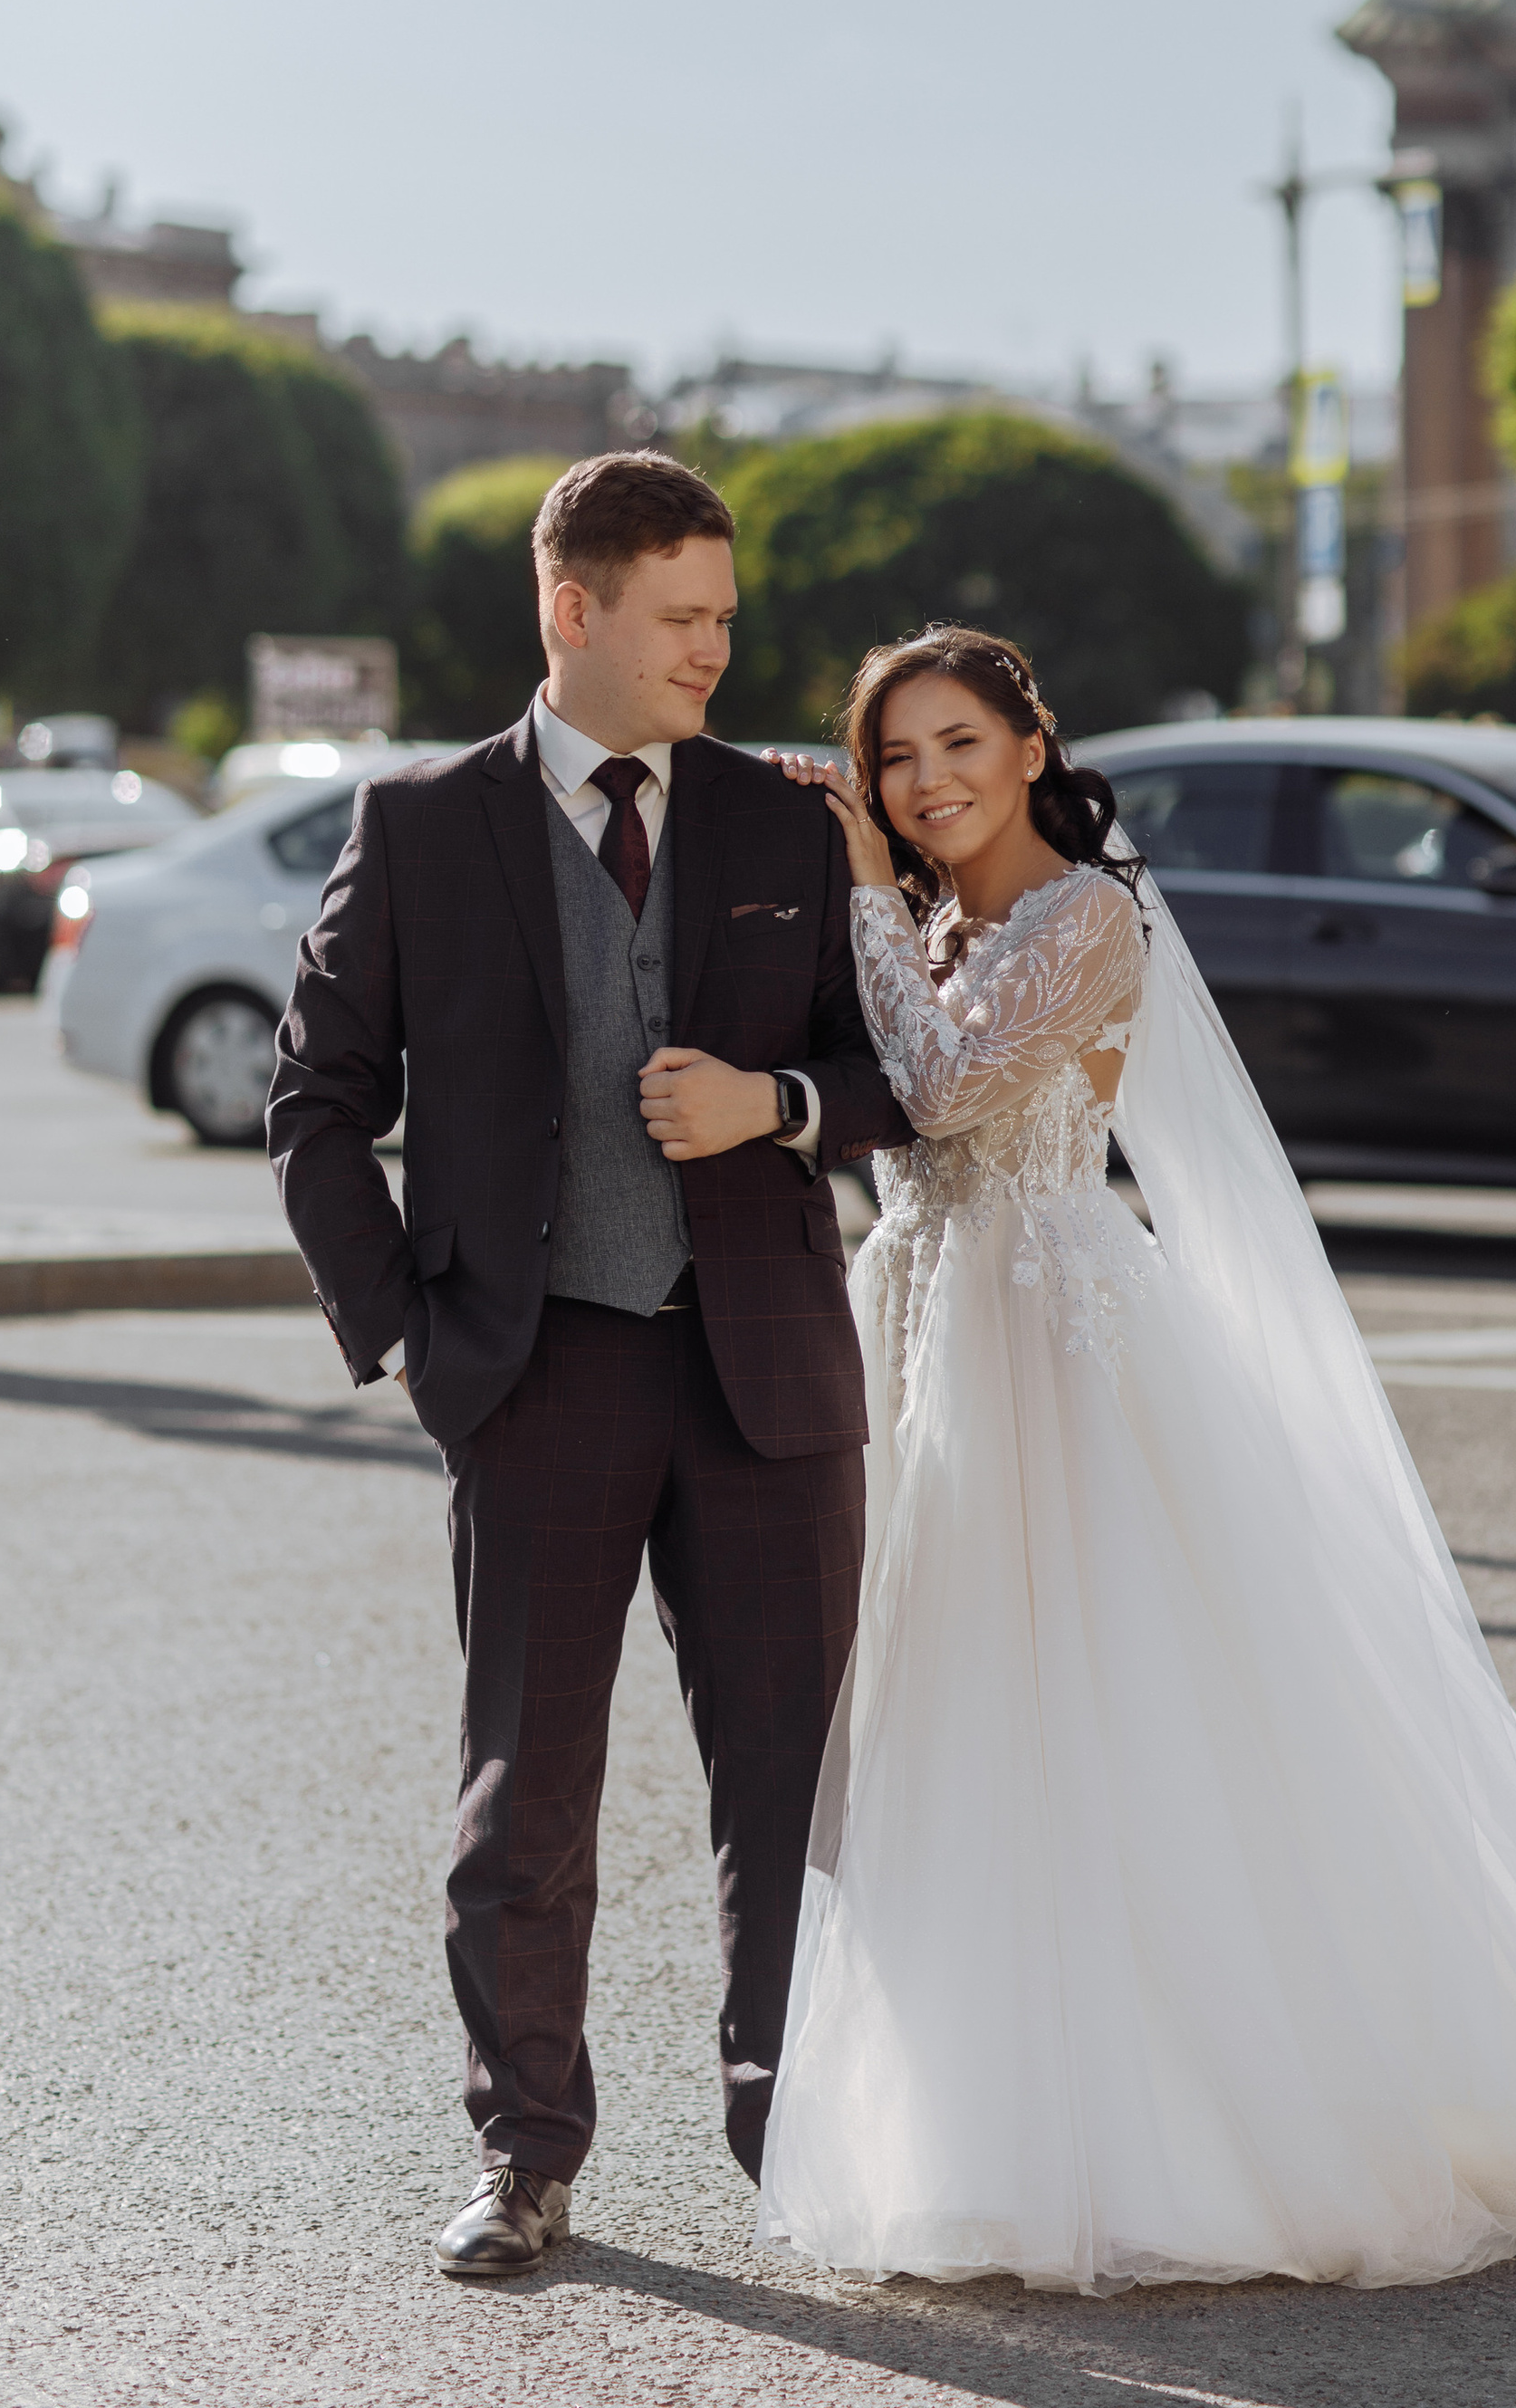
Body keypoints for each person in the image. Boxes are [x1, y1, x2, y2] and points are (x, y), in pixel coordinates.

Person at [740, 625, 1516, 2292]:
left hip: (1056, 1348)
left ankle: (1201, 2131)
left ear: (1032, 743)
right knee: (966, 1730)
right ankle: (998, 2127)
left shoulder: (1090, 918)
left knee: (1120, 1725)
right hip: (933, 1338)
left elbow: (941, 1091)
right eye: (892, 759)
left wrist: (865, 888)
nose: (924, 783)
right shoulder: (936, 917)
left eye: (954, 745)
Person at [267, 453, 909, 2278]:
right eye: (684, 616)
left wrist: (770, 1105)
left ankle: (789, 2135)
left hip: (768, 1379)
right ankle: (525, 2154)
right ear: (576, 609)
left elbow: (887, 1077)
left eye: (723, 613)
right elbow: (315, 1101)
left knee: (788, 1789)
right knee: (523, 1793)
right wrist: (403, 1322)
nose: (720, 645)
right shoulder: (416, 828)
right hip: (534, 1374)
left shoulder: (787, 824)